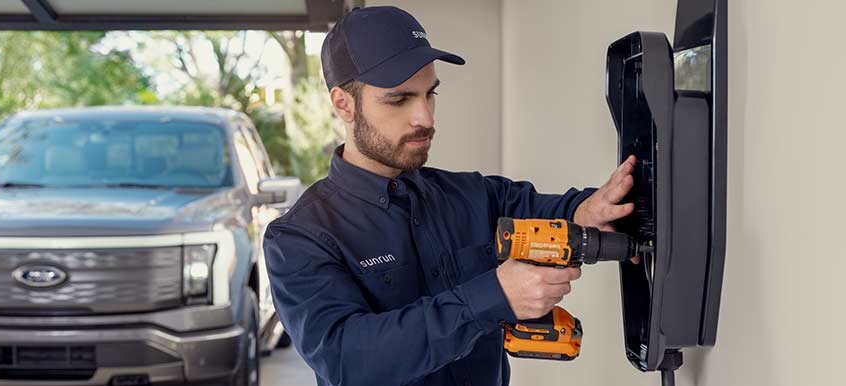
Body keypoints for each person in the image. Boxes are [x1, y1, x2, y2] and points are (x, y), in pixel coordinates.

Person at [263, 6, 637, 386]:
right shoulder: (298, 238)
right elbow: (347, 359)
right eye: (400, 100)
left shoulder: (474, 195)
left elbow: (566, 212)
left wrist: (591, 209)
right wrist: (494, 295)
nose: (425, 117)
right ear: (344, 103)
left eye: (431, 93)